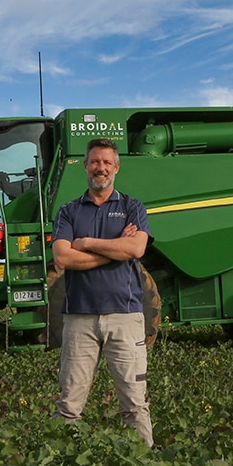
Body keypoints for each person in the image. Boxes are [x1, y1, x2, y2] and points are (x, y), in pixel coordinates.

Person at [50, 137, 153, 446]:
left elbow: (136, 247)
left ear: (116, 168)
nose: (101, 168)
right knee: (69, 405)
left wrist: (87, 243)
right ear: (85, 166)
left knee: (135, 404)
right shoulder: (68, 212)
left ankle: (147, 464)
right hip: (79, 318)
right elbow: (63, 258)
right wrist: (115, 249)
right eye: (95, 161)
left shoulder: (132, 206)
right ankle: (61, 464)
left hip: (125, 317)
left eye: (107, 162)